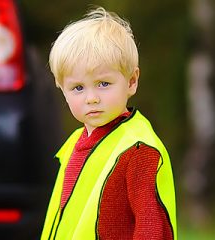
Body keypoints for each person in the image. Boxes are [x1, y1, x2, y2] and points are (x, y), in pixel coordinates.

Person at [40, 7, 177, 240]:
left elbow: (151, 223)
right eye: (78, 88)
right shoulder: (74, 144)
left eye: (103, 83)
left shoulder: (138, 149)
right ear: (62, 90)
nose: (91, 97)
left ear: (131, 81)